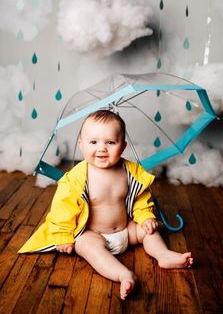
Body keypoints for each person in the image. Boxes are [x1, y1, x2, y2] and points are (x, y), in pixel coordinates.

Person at [19, 110, 193, 300]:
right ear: (81, 145)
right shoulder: (76, 179)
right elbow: (63, 210)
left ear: (123, 146)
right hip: (95, 234)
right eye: (93, 142)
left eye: (110, 142)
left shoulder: (130, 172)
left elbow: (140, 198)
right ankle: (123, 274)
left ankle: (163, 255)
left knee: (148, 231)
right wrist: (62, 235)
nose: (101, 148)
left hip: (127, 230)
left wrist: (145, 217)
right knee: (86, 246)